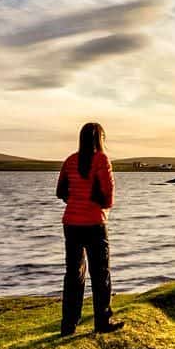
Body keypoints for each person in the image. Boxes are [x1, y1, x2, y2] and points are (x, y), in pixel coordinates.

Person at [56, 121, 123, 335]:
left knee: (74, 275)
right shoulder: (102, 160)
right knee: (100, 274)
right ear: (100, 139)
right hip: (94, 223)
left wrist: (76, 201)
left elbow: (61, 192)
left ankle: (68, 325)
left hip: (71, 224)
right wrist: (94, 203)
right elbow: (108, 199)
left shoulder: (70, 160)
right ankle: (102, 322)